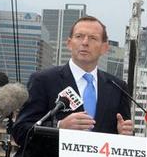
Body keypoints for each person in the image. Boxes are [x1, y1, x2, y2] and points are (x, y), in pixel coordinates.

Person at [11, 15, 134, 145]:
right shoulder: (43, 80)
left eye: (93, 38)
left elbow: (126, 137)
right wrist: (59, 126)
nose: (85, 42)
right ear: (69, 43)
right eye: (79, 36)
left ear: (104, 48)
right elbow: (20, 131)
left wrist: (124, 134)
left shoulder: (117, 87)